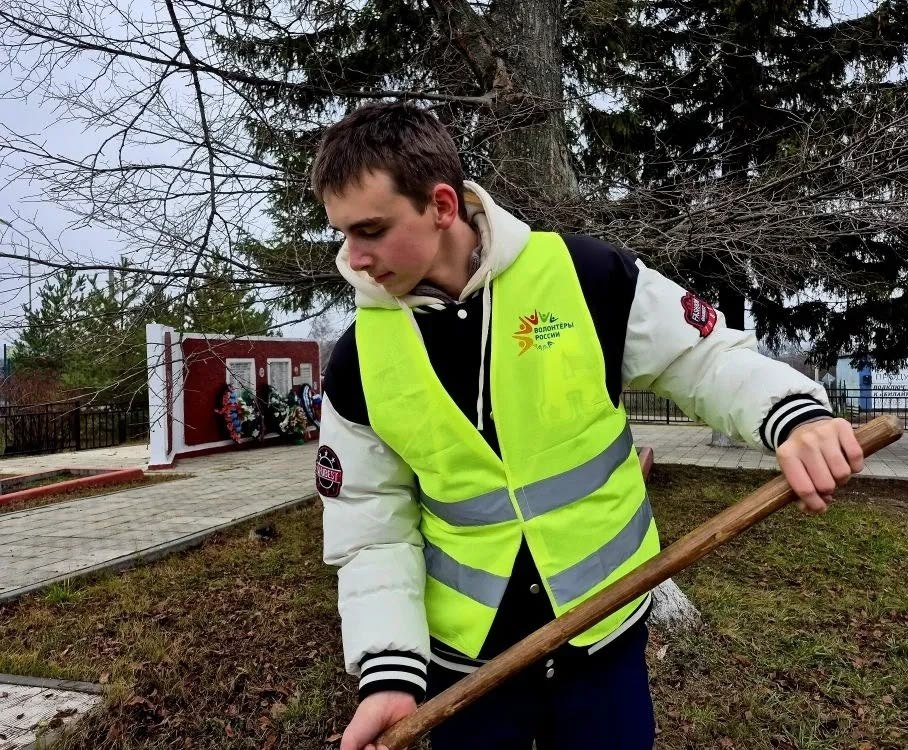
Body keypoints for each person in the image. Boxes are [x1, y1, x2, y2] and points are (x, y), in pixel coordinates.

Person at [311, 102, 864, 750]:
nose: (353, 257)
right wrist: (387, 673)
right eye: (343, 233)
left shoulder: (586, 275)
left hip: (607, 640)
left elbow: (704, 356)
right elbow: (369, 530)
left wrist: (793, 417)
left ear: (440, 205)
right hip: (467, 673)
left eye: (370, 230)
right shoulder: (358, 361)